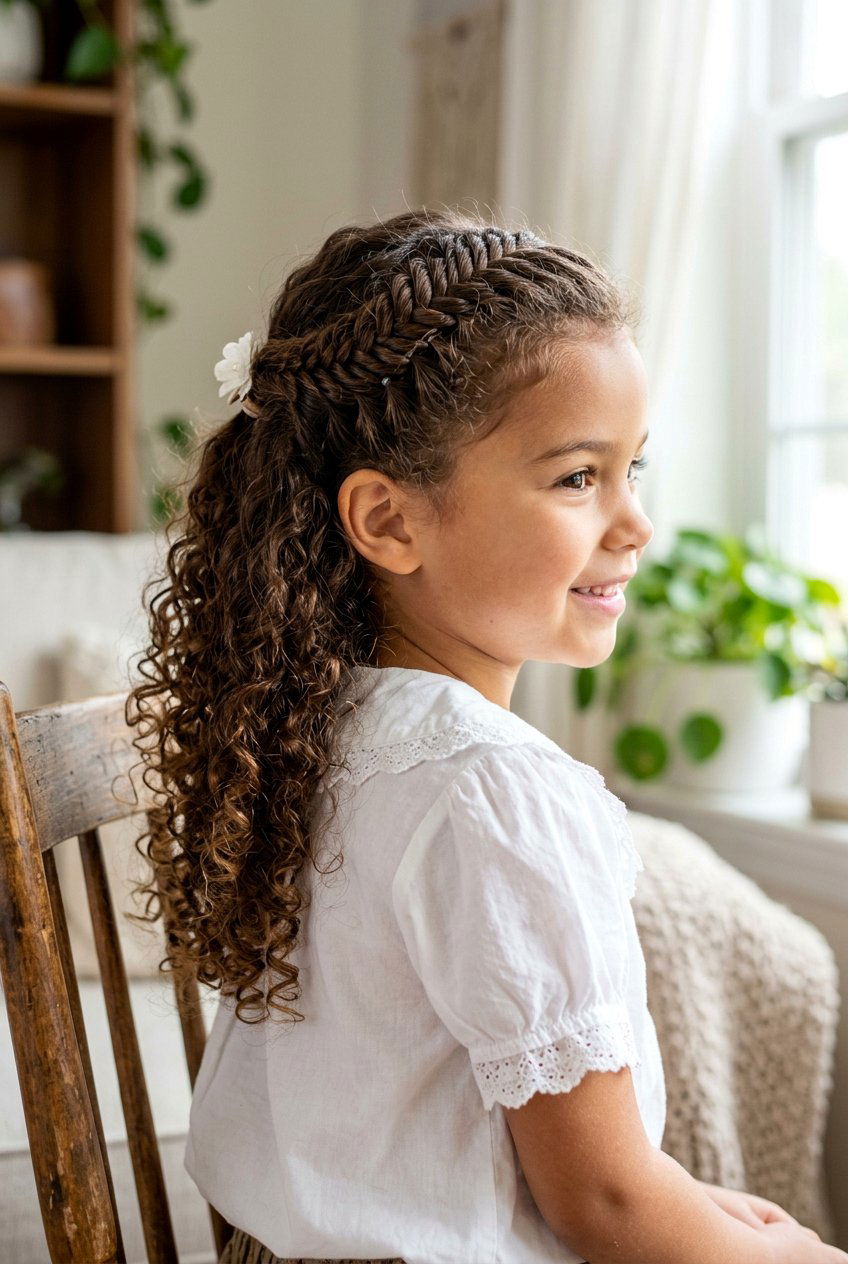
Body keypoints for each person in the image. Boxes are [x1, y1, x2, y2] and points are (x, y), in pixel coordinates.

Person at [127, 208, 846, 1264]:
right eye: (575, 476)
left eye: (632, 467)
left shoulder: (314, 728)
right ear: (387, 521)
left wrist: (679, 1192)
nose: (635, 522)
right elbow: (599, 1203)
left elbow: (550, 1158)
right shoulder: (490, 789)